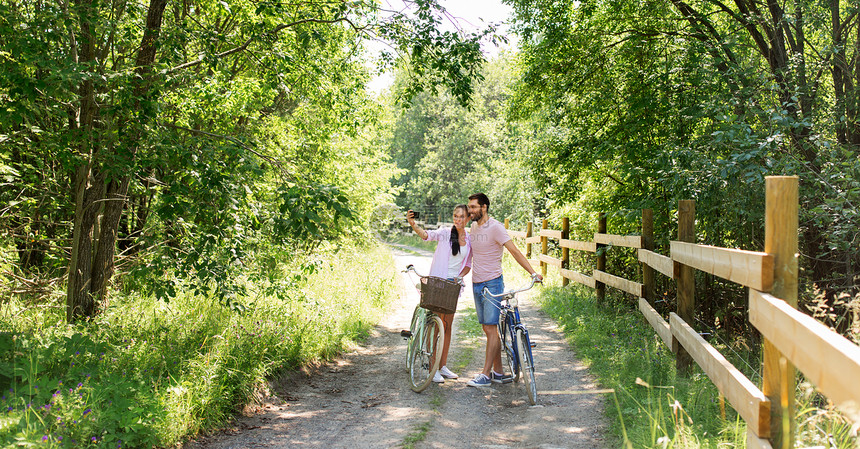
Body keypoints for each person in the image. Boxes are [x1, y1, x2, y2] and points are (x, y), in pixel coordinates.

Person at [464, 193, 542, 387]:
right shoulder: (473, 227)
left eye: (473, 207)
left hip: (492, 283)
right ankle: (498, 372)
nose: (470, 210)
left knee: (490, 329)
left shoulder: (496, 227)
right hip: (477, 283)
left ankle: (485, 375)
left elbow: (514, 251)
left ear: (484, 207)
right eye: (469, 207)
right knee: (488, 328)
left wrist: (533, 273)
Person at [407, 205, 472, 383]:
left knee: (448, 325)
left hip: (453, 286)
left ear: (467, 219)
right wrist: (413, 224)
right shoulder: (444, 233)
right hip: (438, 283)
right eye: (455, 216)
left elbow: (467, 264)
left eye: (461, 217)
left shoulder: (471, 238)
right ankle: (432, 365)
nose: (458, 220)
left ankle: (442, 365)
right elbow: (426, 235)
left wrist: (460, 277)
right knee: (437, 325)